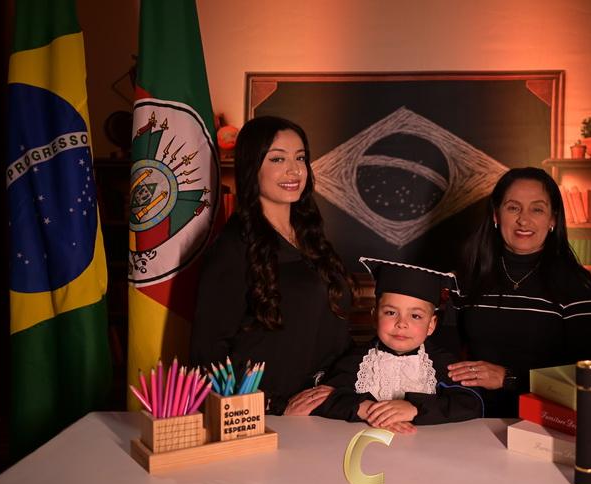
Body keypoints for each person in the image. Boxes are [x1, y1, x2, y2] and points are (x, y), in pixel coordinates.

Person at [189, 116, 352, 415]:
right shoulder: (233, 247)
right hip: (271, 415)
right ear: (252, 167)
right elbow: (209, 349)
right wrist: (271, 406)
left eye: (300, 158)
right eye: (278, 159)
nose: (294, 170)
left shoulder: (312, 237)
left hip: (327, 406)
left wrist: (338, 388)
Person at [446, 167, 591, 417]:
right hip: (468, 415)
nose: (524, 220)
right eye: (513, 207)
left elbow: (586, 375)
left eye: (537, 209)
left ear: (553, 219)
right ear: (496, 215)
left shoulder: (576, 284)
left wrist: (509, 378)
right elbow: (444, 353)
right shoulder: (467, 277)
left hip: (543, 421)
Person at [314, 258, 483, 433]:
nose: (402, 323)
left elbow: (470, 403)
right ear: (375, 317)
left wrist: (415, 409)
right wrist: (369, 409)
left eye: (415, 316)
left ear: (431, 325)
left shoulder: (443, 363)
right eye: (390, 312)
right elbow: (323, 399)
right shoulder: (355, 361)